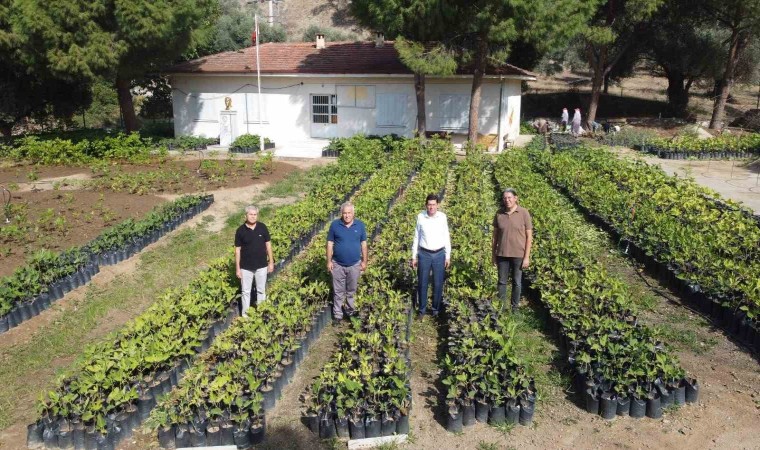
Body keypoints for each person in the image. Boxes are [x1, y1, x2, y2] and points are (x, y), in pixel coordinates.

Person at [492, 188, 533, 313]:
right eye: (505, 198)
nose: (507, 200)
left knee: (517, 282)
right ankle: (501, 308)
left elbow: (529, 236)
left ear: (516, 198)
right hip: (502, 254)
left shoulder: (524, 213)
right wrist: (493, 255)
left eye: (509, 197)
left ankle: (514, 308)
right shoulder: (499, 214)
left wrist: (526, 257)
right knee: (502, 282)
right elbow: (495, 237)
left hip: (518, 254)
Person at [327, 202, 367, 324]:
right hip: (337, 264)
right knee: (338, 291)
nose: (347, 215)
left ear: (353, 213)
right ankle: (338, 315)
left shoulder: (360, 226)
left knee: (351, 290)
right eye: (344, 213)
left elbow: (364, 244)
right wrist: (328, 261)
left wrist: (364, 261)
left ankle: (350, 312)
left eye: (349, 213)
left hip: (354, 264)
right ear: (341, 213)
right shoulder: (335, 225)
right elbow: (329, 244)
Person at [411, 193, 451, 318]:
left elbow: (446, 236)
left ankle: (435, 309)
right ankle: (422, 310)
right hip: (424, 253)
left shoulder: (442, 217)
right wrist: (414, 256)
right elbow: (416, 237)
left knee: (438, 283)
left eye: (434, 205)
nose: (431, 207)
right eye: (429, 205)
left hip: (439, 253)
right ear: (426, 205)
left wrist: (448, 255)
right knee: (422, 282)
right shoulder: (421, 217)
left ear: (437, 205)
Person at [234, 205, 274, 317]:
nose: (253, 216)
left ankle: (262, 313)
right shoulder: (240, 231)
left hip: (261, 265)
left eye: (255, 214)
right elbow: (237, 251)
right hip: (246, 267)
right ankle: (246, 317)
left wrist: (271, 262)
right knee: (245, 292)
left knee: (261, 290)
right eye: (251, 214)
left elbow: (268, 246)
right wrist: (237, 268)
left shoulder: (262, 227)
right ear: (246, 215)